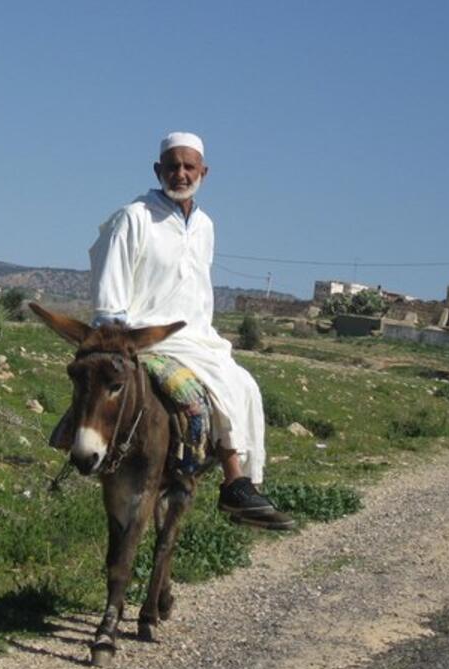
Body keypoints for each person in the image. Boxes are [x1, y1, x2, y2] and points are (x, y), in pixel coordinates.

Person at [52, 131, 294, 530]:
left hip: (196, 336)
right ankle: (234, 480)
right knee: (216, 387)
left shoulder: (205, 226)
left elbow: (197, 289)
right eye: (172, 166)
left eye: (188, 167)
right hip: (145, 334)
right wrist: (114, 335)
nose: (180, 174)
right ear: (158, 170)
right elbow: (111, 283)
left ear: (203, 172)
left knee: (246, 385)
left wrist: (205, 332)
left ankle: (240, 485)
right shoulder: (134, 217)